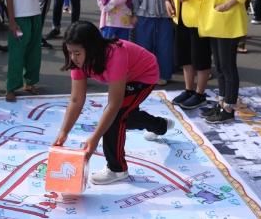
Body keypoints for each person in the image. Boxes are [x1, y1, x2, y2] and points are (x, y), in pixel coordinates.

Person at [53, 21, 174, 185]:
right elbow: (76, 100)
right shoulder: (78, 62)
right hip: (127, 75)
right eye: (69, 52)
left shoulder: (114, 55)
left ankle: (117, 169)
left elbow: (114, 105)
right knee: (126, 118)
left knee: (116, 117)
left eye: (77, 53)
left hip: (143, 75)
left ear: (93, 48)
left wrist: (95, 138)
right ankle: (160, 125)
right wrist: (63, 132)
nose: (73, 57)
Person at [199, 0, 257, 123]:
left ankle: (229, 108)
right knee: (220, 66)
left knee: (228, 66)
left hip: (228, 21)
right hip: (217, 20)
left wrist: (228, 4)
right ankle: (222, 102)